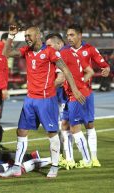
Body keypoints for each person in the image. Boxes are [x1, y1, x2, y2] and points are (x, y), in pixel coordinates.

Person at [0, 26, 85, 178]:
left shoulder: (50, 52)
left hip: (46, 100)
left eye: (29, 35)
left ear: (38, 35)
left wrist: (75, 90)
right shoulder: (27, 50)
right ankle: (17, 167)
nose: (26, 38)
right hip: (30, 99)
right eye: (25, 36)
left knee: (51, 133)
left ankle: (54, 165)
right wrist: (12, 36)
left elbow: (65, 70)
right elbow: (5, 54)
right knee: (21, 131)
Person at [45, 33, 95, 170]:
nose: (47, 48)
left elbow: (60, 78)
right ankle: (70, 160)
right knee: (65, 126)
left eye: (49, 45)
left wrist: (45, 90)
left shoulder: (61, 55)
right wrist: (82, 83)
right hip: (71, 95)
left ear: (59, 44)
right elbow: (89, 70)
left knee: (75, 128)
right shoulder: (72, 53)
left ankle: (87, 159)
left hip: (75, 95)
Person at [66, 24, 111, 167]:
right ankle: (80, 158)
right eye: (67, 35)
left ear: (80, 35)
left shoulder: (89, 49)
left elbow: (104, 64)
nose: (69, 38)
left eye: (72, 35)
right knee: (72, 125)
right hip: (72, 93)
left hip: (84, 93)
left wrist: (107, 69)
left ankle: (92, 158)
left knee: (88, 125)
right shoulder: (64, 51)